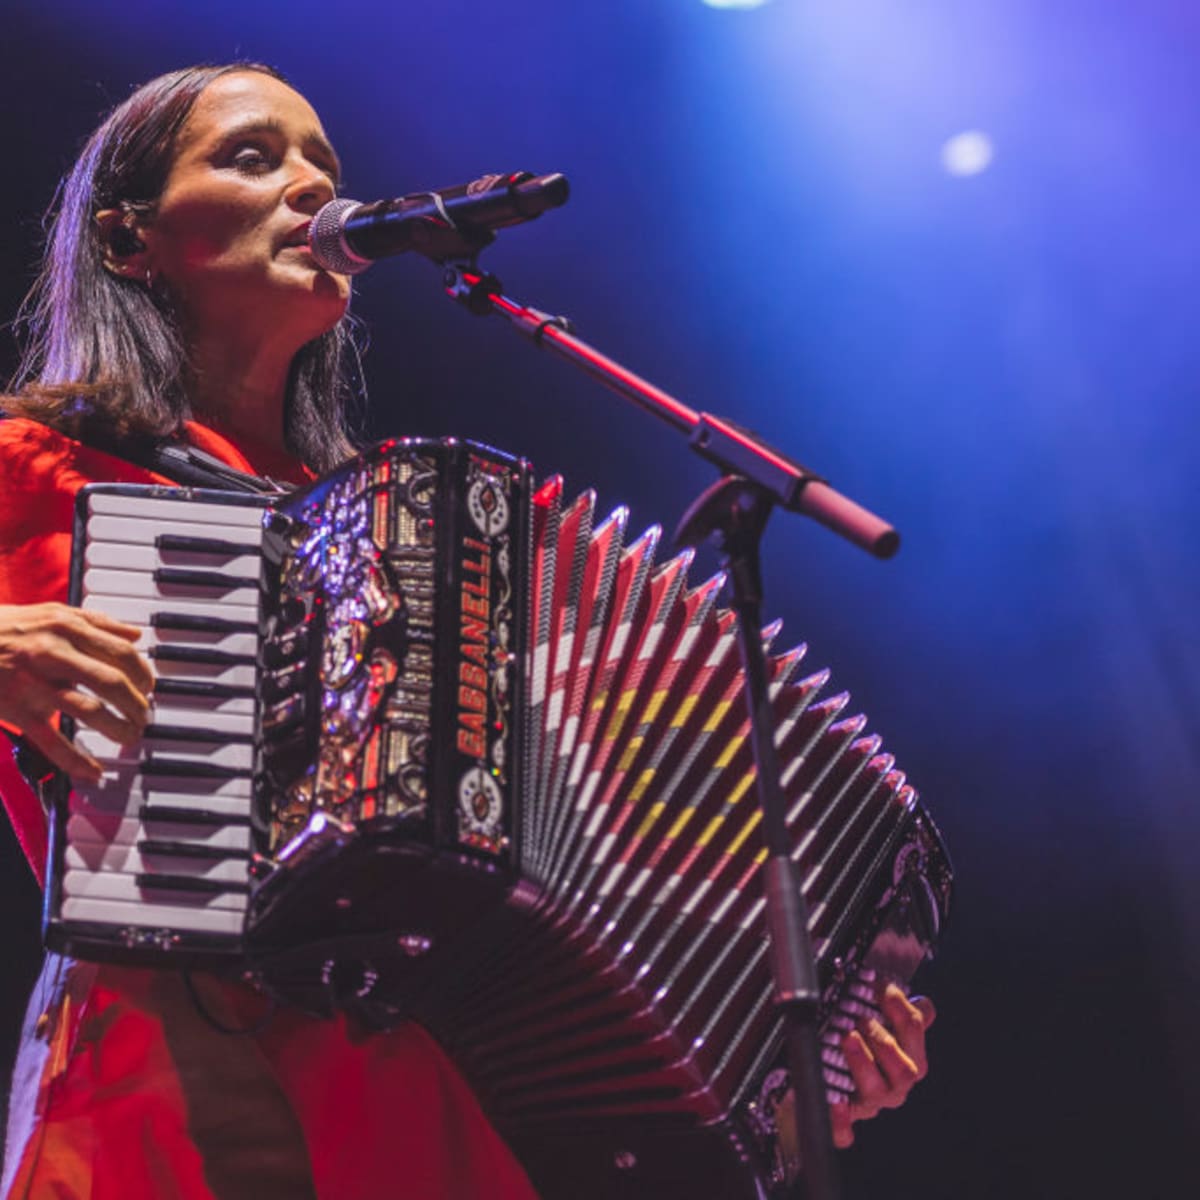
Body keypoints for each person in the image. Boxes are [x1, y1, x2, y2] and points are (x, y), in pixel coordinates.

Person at [0, 63, 935, 1199]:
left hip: (432, 1119)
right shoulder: (34, 461)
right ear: (125, 241)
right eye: (253, 156)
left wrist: (794, 1080)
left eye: (323, 165)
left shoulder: (379, 534)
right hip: (176, 1091)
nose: (307, 184)